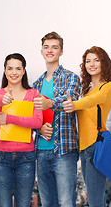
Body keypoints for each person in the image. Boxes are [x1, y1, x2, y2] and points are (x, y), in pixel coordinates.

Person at [63, 46, 111, 207]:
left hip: (96, 146)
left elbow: (93, 100)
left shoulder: (107, 87)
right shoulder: (86, 90)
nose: (91, 64)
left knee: (95, 200)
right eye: (88, 61)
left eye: (96, 60)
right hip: (84, 148)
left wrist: (75, 104)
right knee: (94, 198)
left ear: (104, 63)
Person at [33, 31, 81, 207]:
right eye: (46, 47)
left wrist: (50, 103)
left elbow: (71, 99)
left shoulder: (71, 78)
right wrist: (38, 129)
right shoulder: (36, 84)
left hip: (64, 151)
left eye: (54, 47)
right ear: (41, 51)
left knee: (66, 202)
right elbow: (31, 116)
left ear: (61, 52)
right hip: (41, 150)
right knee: (47, 203)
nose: (50, 50)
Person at [0, 53, 43, 207]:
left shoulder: (33, 94)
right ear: (5, 71)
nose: (14, 72)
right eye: (10, 68)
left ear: (23, 71)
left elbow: (37, 121)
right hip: (0, 156)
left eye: (18, 69)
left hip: (26, 157)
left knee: (23, 204)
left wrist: (9, 118)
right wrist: (5, 99)